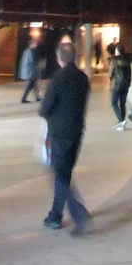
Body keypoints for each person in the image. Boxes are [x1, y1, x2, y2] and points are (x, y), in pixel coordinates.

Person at [39, 42, 92, 236]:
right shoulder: (83, 79)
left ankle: (80, 216)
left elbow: (44, 109)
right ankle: (55, 215)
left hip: (59, 134)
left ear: (59, 59)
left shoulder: (56, 79)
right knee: (65, 174)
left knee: (59, 177)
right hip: (77, 132)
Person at [108, 44, 132, 129]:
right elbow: (129, 73)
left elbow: (110, 74)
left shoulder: (114, 60)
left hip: (116, 84)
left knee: (114, 102)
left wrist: (111, 80)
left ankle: (121, 120)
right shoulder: (127, 60)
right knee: (122, 103)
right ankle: (122, 121)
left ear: (117, 51)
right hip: (125, 84)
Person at [19, 38, 42, 103]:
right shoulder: (31, 51)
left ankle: (37, 97)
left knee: (33, 84)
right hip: (31, 71)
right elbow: (34, 61)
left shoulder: (27, 51)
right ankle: (24, 98)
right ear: (32, 44)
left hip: (29, 71)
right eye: (35, 44)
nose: (36, 45)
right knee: (31, 85)